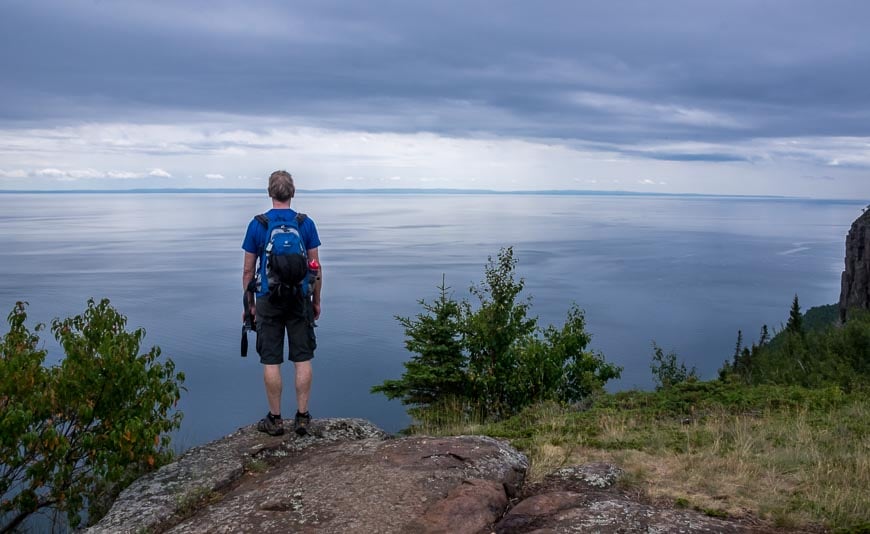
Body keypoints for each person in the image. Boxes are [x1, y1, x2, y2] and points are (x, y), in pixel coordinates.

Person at [242, 170, 322, 436]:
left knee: (271, 360)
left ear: (269, 192)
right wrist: (316, 301)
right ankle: (302, 417)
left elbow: (247, 271)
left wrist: (250, 305)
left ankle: (275, 420)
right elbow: (316, 267)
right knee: (302, 358)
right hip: (300, 298)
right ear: (293, 192)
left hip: (268, 298)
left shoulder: (258, 225)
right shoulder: (305, 223)